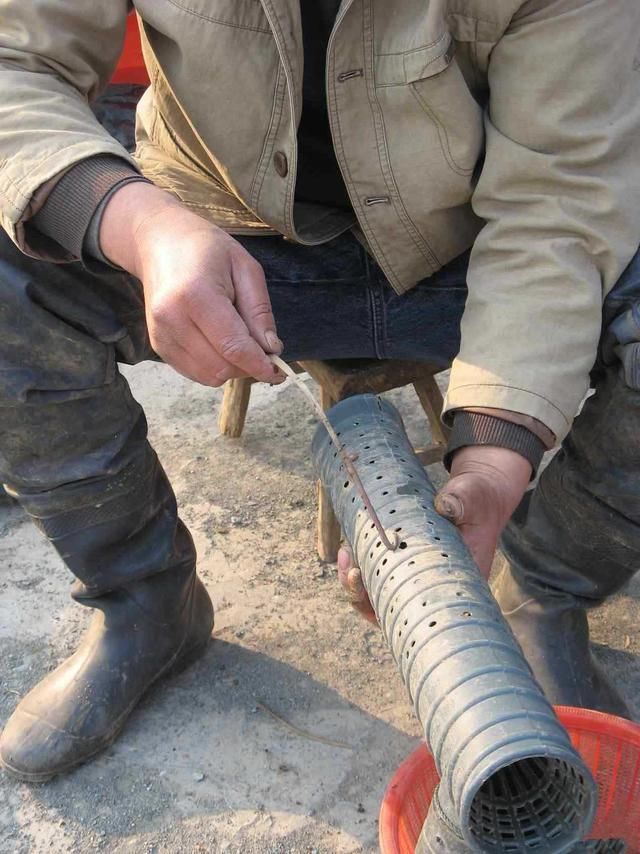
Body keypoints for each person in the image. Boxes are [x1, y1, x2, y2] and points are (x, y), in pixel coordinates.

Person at [0, 1, 638, 782]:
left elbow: (559, 200)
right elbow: (15, 62)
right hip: (222, 234)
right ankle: (145, 601)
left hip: (472, 250)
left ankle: (541, 587)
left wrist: (496, 462)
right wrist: (137, 225)